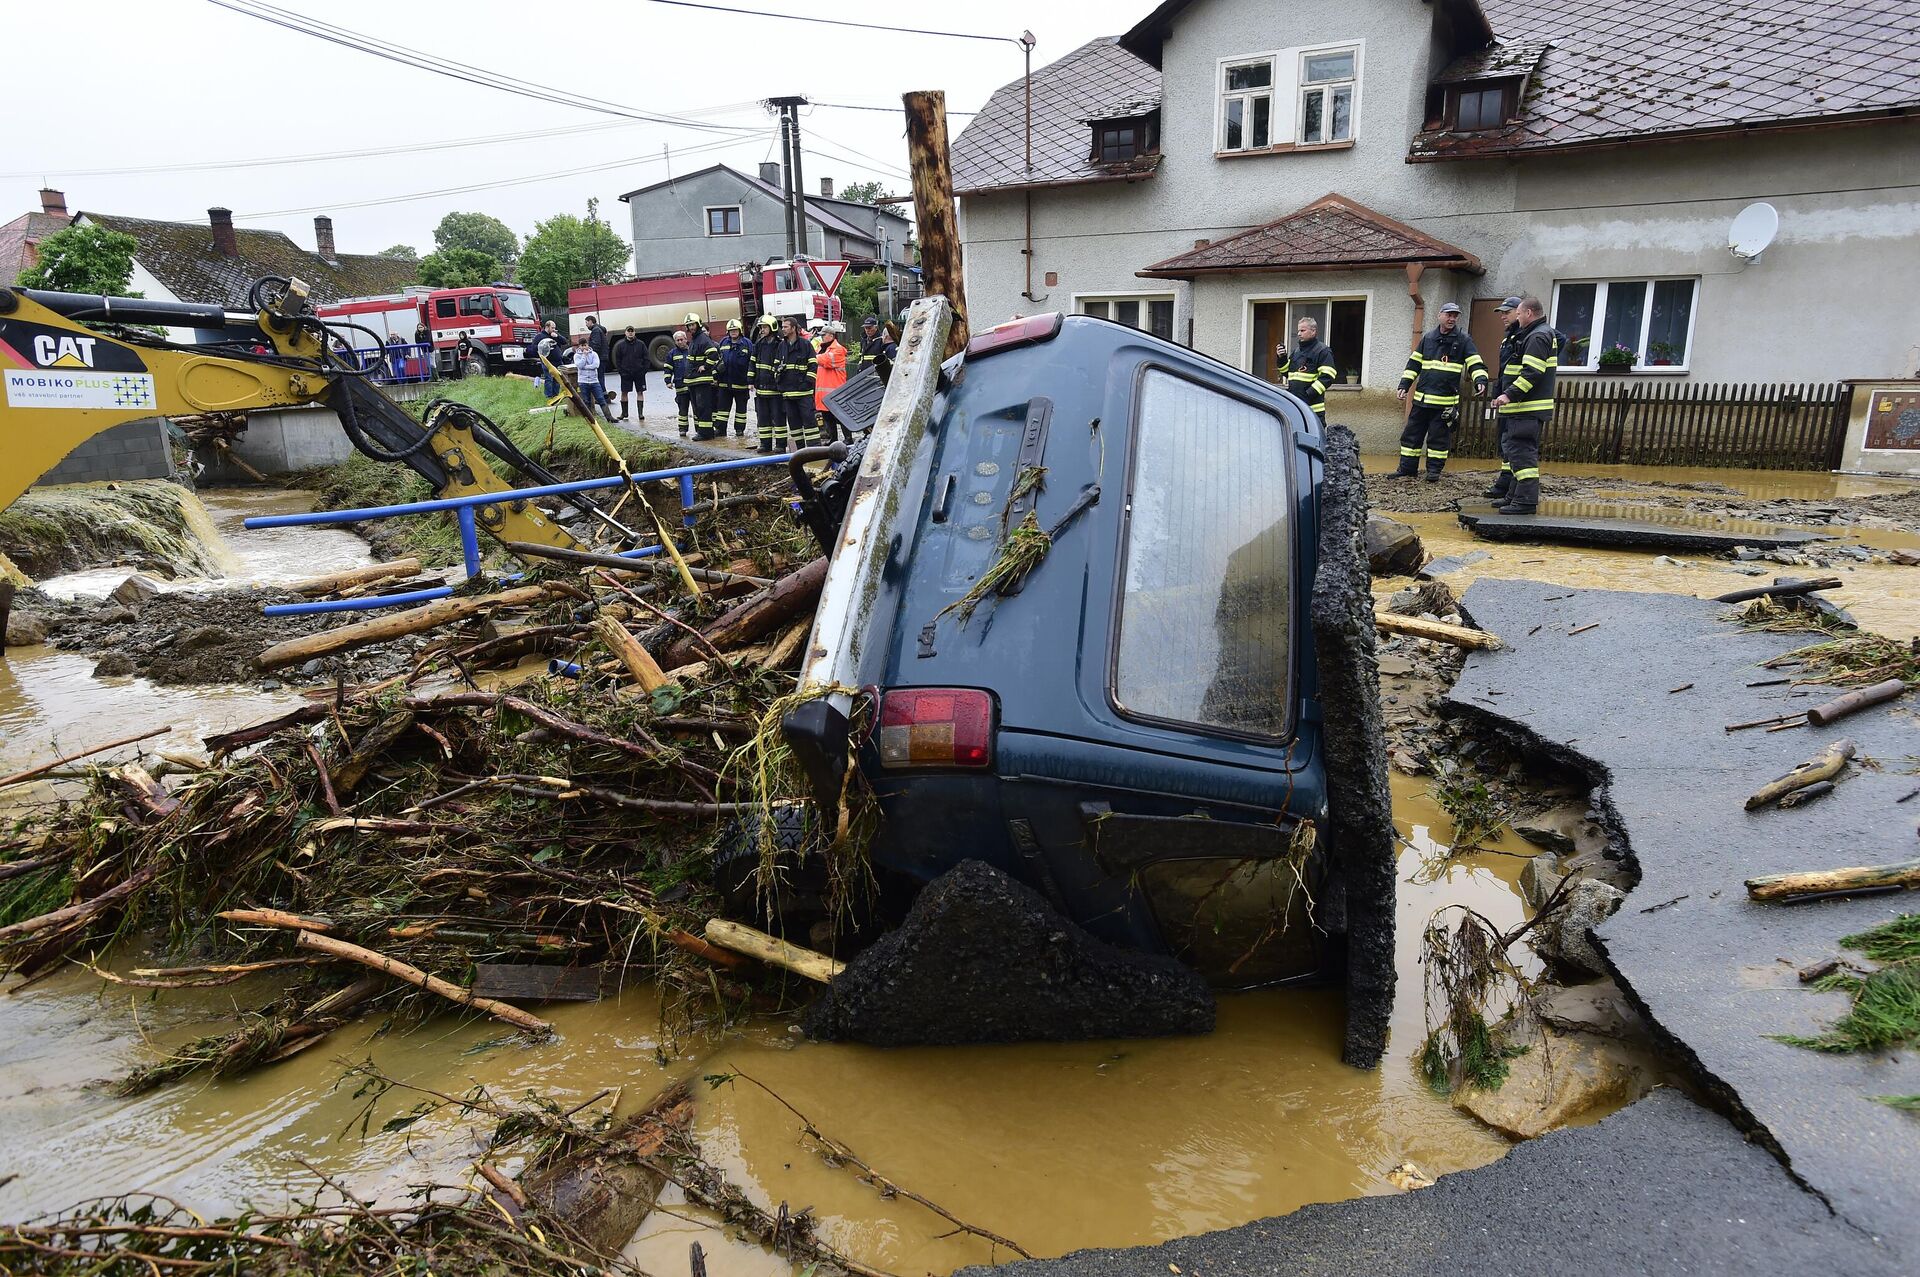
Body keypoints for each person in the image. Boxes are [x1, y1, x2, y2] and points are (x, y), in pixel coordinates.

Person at [1395, 301, 1487, 482]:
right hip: (1421, 402)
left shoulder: (1463, 340)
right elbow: (1413, 364)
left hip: (1445, 404)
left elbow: (1475, 362)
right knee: (1411, 437)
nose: (1452, 318)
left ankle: (1433, 473)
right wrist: (1404, 385)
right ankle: (1407, 470)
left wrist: (1480, 380)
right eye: (1449, 315)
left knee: (1438, 440)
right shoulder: (1428, 338)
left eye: (1455, 315)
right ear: (1440, 315)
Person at [1489, 295, 1558, 516]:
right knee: (1514, 452)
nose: (1515, 317)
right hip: (1523, 407)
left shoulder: (1538, 336)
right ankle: (1514, 496)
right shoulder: (1535, 334)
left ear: (1528, 313)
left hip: (1527, 407)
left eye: (1518, 313)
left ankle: (1525, 501)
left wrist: (1509, 394)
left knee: (1522, 454)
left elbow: (1532, 372)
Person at [1484, 296, 1526, 500]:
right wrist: (1497, 392)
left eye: (1506, 312)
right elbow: (1503, 371)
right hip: (1506, 397)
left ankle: (1508, 485)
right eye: (1501, 312)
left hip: (1518, 400)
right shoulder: (1508, 338)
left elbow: (1558, 340)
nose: (1502, 316)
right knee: (1504, 441)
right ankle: (1505, 481)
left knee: (1512, 443)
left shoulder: (1528, 335)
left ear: (1519, 312)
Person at [1276, 317, 1337, 418]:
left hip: (1313, 409)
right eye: (1298, 331)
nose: (1299, 334)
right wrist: (1281, 358)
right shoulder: (1296, 351)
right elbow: (1287, 373)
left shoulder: (1323, 351)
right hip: (1296, 406)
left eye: (1302, 330)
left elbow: (1328, 376)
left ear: (1313, 331)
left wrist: (1308, 394)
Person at [775, 315, 819, 449]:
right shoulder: (782, 345)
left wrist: (807, 382)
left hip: (803, 392)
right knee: (794, 424)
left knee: (809, 421)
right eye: (782, 327)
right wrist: (779, 381)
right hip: (788, 393)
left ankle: (815, 449)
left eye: (786, 327)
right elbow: (776, 365)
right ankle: (800, 450)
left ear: (793, 328)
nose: (783, 329)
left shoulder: (805, 344)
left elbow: (813, 365)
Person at [684, 312, 720, 441]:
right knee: (698, 406)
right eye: (689, 325)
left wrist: (705, 366)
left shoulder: (702, 339)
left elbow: (714, 354)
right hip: (694, 380)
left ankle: (706, 433)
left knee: (703, 406)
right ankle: (702, 431)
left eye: (693, 324)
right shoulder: (695, 338)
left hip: (701, 380)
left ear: (698, 324)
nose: (691, 327)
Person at [716, 318, 754, 438]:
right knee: (722, 410)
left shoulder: (747, 344)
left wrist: (750, 380)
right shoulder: (723, 343)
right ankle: (720, 430)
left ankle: (739, 430)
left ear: (740, 330)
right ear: (728, 331)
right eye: (731, 330)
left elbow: (752, 362)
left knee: (741, 411)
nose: (733, 332)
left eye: (735, 330)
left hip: (741, 384)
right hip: (724, 384)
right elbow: (717, 360)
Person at [814, 321, 848, 442]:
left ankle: (848, 439)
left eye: (824, 335)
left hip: (835, 390)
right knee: (828, 418)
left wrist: (813, 356)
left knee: (841, 417)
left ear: (831, 336)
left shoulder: (838, 349)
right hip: (824, 391)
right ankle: (833, 439)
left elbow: (825, 360)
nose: (822, 337)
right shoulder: (822, 348)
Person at [751, 316, 781, 453]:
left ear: (772, 328)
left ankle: (780, 445)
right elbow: (752, 363)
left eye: (764, 327)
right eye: (761, 327)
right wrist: (750, 381)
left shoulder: (779, 344)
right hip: (761, 388)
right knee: (763, 419)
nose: (762, 330)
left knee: (778, 418)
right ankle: (765, 444)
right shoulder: (759, 344)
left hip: (775, 390)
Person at [569, 333, 614, 424]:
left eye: (585, 345)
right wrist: (584, 356)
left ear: (587, 344)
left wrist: (586, 367)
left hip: (594, 381)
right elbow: (580, 365)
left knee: (601, 399)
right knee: (586, 401)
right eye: (582, 346)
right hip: (583, 381)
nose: (584, 347)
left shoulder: (594, 354)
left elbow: (596, 365)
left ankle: (609, 417)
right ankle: (590, 419)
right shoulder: (577, 355)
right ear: (579, 346)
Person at [613, 325, 649, 424]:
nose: (630, 333)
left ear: (634, 332)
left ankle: (640, 414)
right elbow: (617, 360)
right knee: (624, 393)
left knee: (640, 392)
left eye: (632, 331)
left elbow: (646, 358)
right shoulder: (620, 345)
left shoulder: (641, 344)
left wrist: (644, 371)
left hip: (639, 373)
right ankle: (624, 413)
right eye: (628, 331)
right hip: (626, 374)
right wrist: (621, 372)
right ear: (625, 333)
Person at [666, 328, 694, 437]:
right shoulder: (672, 354)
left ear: (686, 339)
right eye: (677, 340)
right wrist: (668, 381)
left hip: (693, 384)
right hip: (680, 386)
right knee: (682, 410)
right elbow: (668, 368)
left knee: (697, 410)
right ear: (675, 342)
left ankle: (699, 430)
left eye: (681, 339)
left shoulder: (692, 350)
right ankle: (683, 429)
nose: (680, 342)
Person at [854, 314, 897, 380]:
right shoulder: (863, 341)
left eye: (869, 328)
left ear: (876, 328)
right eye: (866, 328)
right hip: (863, 374)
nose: (867, 330)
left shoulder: (881, 340)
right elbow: (861, 357)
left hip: (875, 374)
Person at [535, 321, 562, 399]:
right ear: (547, 327)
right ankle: (548, 396)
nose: (554, 329)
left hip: (557, 361)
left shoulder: (555, 335)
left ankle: (556, 395)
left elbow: (564, 341)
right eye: (552, 328)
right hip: (547, 361)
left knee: (557, 378)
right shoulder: (540, 336)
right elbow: (534, 347)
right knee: (549, 378)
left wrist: (557, 336)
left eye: (554, 328)